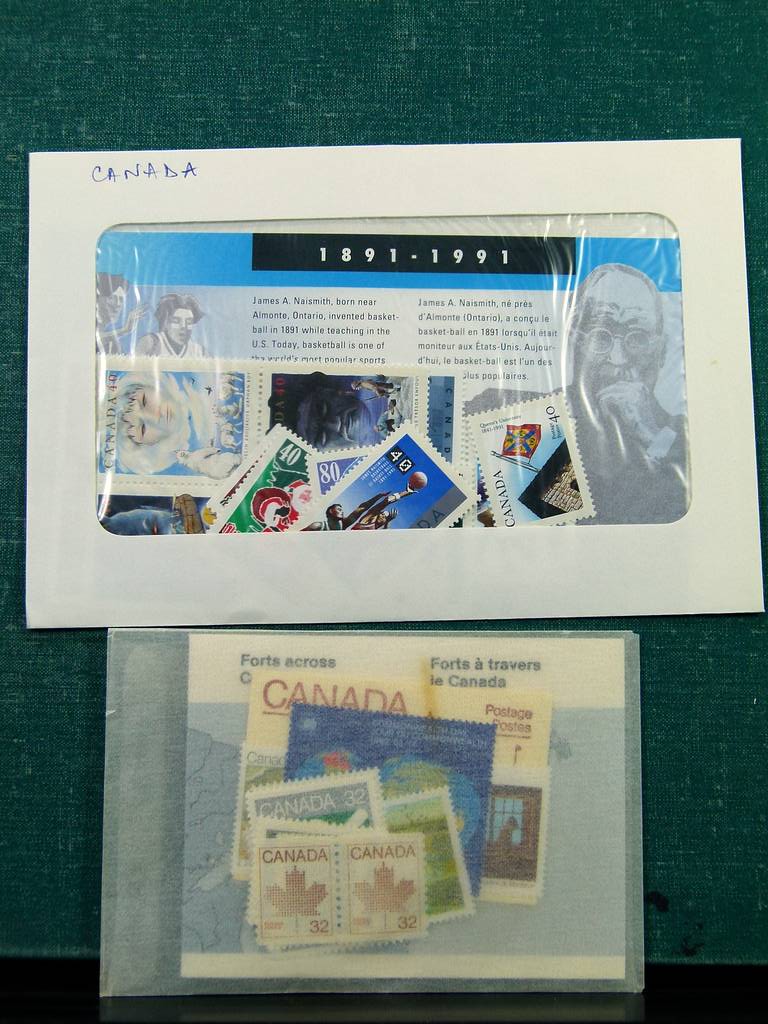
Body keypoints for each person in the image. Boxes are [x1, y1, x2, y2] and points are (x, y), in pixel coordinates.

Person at [565, 263, 689, 524]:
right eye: (600, 336)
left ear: (662, 351)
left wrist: (651, 435)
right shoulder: (530, 420)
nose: (618, 358)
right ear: (574, 341)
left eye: (638, 338)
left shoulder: (682, 438)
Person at [303, 486, 414, 531]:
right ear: (331, 511)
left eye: (386, 517)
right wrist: (405, 493)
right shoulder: (318, 526)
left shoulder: (343, 525)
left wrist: (387, 522)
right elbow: (363, 507)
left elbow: (385, 537)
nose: (342, 511)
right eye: (339, 509)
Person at [136, 293, 207, 357]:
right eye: (176, 321)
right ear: (166, 323)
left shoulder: (199, 352)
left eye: (189, 322)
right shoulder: (150, 343)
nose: (183, 326)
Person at [95, 273, 148, 355]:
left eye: (121, 299)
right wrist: (124, 330)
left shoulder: (112, 344)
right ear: (98, 298)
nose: (118, 304)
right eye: (113, 298)